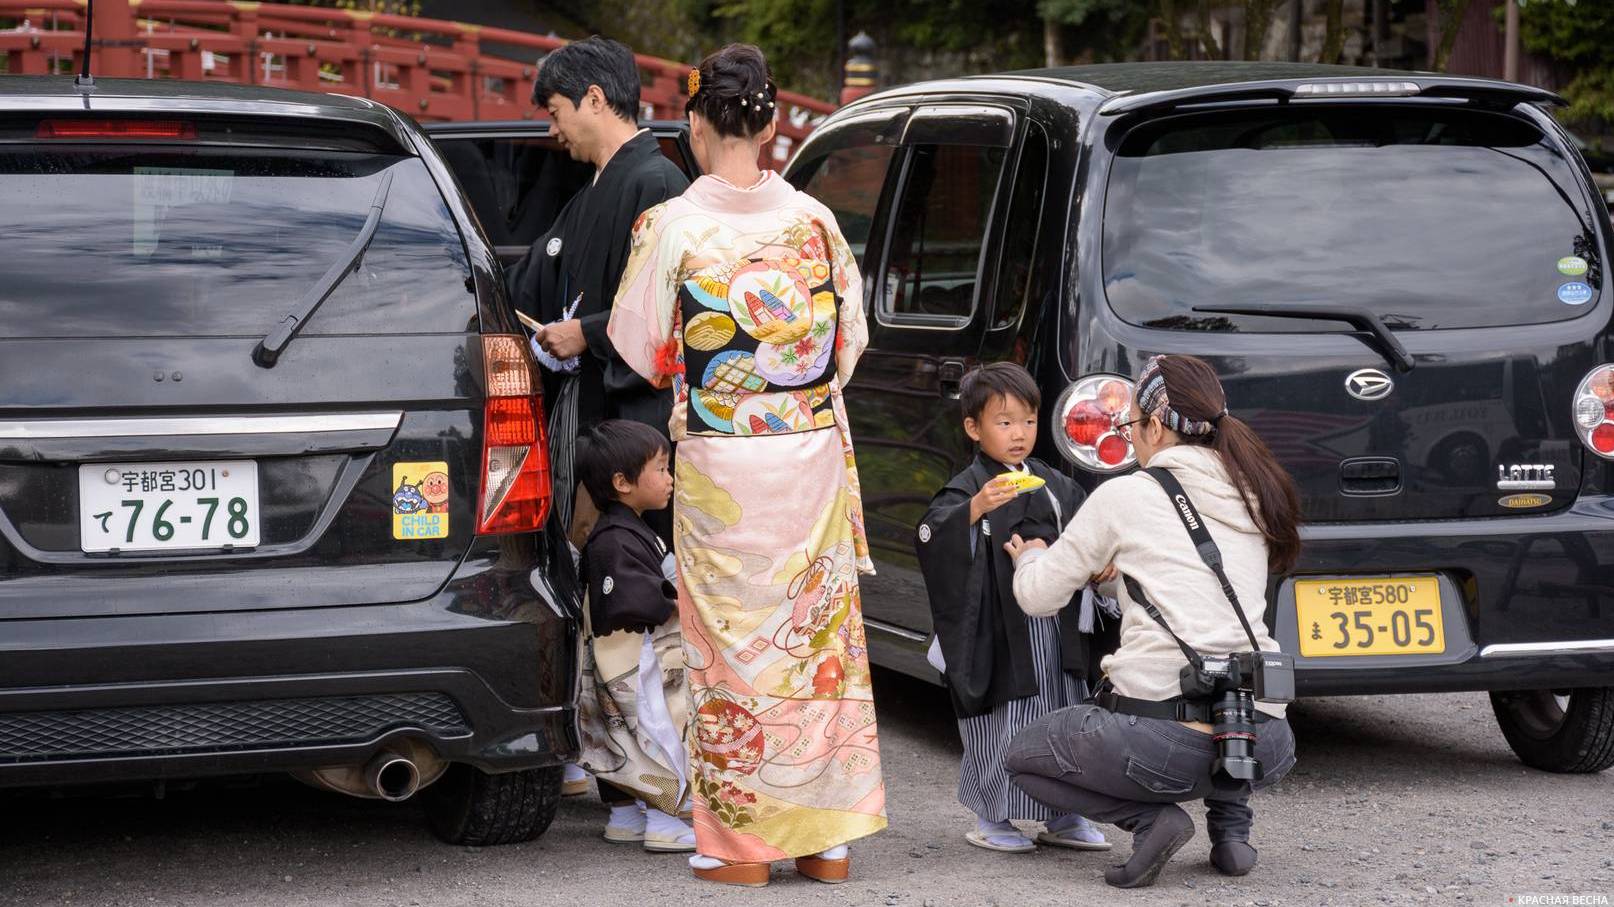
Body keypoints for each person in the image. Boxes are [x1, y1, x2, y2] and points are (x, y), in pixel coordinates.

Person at [607, 44, 886, 888]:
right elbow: (850, 346)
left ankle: (742, 848)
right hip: (807, 453)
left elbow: (640, 346)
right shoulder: (815, 221)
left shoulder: (674, 227)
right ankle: (826, 840)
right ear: (769, 123)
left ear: (695, 125)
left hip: (725, 462)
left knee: (733, 649)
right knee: (818, 642)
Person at [1001, 354, 1301, 889]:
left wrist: (1030, 556)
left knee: (1022, 758)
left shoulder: (1125, 494)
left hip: (1164, 744)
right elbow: (1193, 585)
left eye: (1131, 425)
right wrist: (1114, 579)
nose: (1131, 438)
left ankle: (1151, 821)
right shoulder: (1256, 490)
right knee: (1222, 695)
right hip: (1267, 738)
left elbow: (1038, 597)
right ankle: (1232, 834)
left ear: (1156, 426)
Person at [915, 363, 1112, 855]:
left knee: (1066, 713)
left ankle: (1065, 815)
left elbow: (1089, 535)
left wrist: (1100, 565)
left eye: (1027, 421)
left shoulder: (1054, 484)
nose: (1018, 433)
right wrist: (975, 510)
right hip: (998, 632)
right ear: (973, 428)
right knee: (1003, 717)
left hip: (1057, 628)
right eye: (1003, 423)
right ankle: (993, 816)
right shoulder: (968, 487)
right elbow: (930, 536)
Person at [504, 35, 690, 547]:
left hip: (636, 425)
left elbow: (667, 311)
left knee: (637, 570)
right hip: (596, 408)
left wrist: (586, 333)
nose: (552, 128)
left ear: (593, 98)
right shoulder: (594, 188)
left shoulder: (658, 181)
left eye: (556, 111)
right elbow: (538, 271)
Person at [572, 420, 696, 853]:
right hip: (636, 661)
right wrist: (672, 600)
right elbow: (635, 598)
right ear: (622, 483)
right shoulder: (614, 539)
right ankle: (664, 820)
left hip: (622, 660)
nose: (670, 478)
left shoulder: (628, 529)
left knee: (621, 737)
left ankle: (625, 816)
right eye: (660, 469)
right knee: (657, 731)